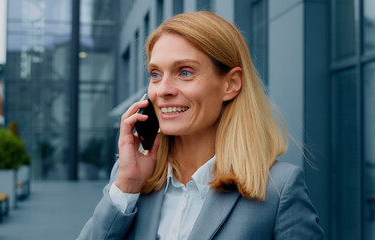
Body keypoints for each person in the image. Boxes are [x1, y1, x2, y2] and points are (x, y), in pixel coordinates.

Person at [77, 11, 325, 240]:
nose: (162, 90)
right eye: (155, 74)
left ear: (231, 84)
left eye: (184, 72)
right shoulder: (130, 176)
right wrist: (127, 186)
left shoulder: (279, 188)